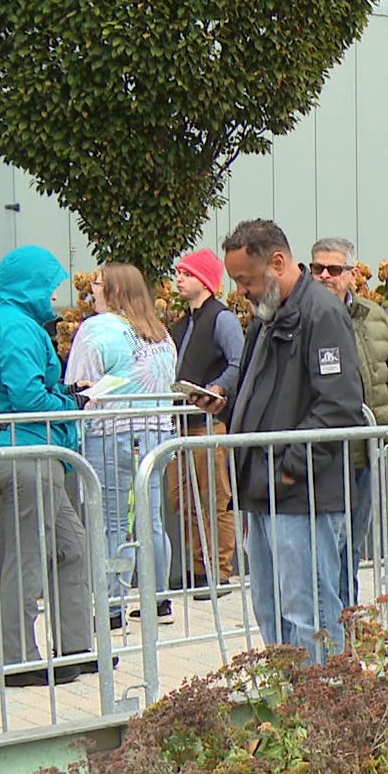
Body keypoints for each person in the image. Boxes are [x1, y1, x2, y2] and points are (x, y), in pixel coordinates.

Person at [191, 220, 365, 665]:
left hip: (299, 492)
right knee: (272, 610)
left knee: (310, 613)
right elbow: (261, 390)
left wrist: (289, 469)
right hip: (265, 489)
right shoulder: (268, 317)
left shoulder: (321, 315)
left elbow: (339, 405)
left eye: (246, 281)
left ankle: (322, 705)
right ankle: (291, 707)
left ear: (278, 262)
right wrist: (225, 405)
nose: (242, 291)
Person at [0, 246, 97, 685]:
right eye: (48, 288)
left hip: (32, 453)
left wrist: (64, 396)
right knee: (25, 559)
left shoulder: (5, 323)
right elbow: (28, 398)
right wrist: (74, 403)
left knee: (72, 548)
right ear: (28, 285)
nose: (53, 298)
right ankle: (20, 661)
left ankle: (75, 648)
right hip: (27, 453)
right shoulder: (16, 327)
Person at [64, 263, 178, 629]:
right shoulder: (160, 332)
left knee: (112, 521)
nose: (90, 292)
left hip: (111, 432)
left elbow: (78, 381)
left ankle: (112, 606)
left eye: (95, 284)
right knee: (152, 517)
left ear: (111, 290)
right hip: (158, 433)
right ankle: (157, 599)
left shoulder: (96, 329)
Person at [309, 238, 388, 607]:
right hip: (322, 454)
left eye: (334, 269)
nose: (325, 276)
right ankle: (329, 624)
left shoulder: (374, 316)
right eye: (317, 268)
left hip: (365, 451)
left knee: (352, 540)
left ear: (353, 274)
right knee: (325, 543)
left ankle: (346, 619)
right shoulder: (305, 314)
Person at [166, 249, 243, 595]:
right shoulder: (182, 323)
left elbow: (238, 361)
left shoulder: (221, 319)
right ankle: (200, 567)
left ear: (206, 281)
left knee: (215, 498)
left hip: (209, 424)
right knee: (183, 499)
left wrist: (217, 388)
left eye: (187, 273)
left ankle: (220, 570)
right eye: (179, 273)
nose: (179, 278)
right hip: (181, 425)